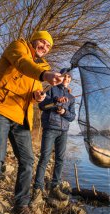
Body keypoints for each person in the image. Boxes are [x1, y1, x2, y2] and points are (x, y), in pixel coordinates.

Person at [0, 31, 64, 214]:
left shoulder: (42, 66)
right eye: (42, 42)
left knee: (28, 161)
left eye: (48, 46)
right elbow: (23, 65)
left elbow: (31, 91)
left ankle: (21, 205)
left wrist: (37, 97)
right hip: (0, 108)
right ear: (34, 40)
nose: (44, 46)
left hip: (21, 117)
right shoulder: (18, 47)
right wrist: (44, 75)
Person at [32, 69, 76, 204]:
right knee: (44, 158)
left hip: (63, 131)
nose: (66, 79)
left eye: (69, 77)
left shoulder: (72, 98)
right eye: (64, 76)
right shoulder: (51, 89)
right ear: (60, 77)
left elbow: (72, 117)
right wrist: (56, 100)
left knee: (60, 159)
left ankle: (55, 187)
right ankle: (37, 189)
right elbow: (42, 105)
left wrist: (63, 111)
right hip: (50, 128)